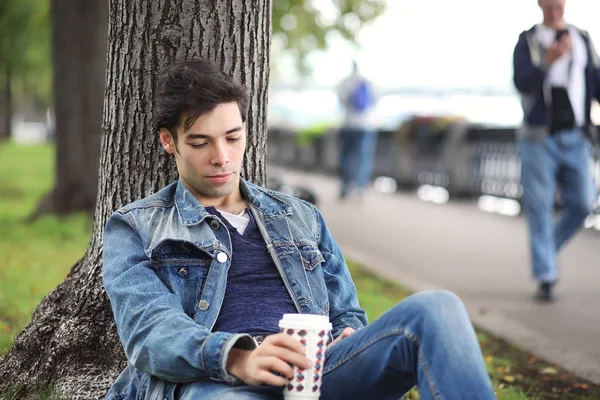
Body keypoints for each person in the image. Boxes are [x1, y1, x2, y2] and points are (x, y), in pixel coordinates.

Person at [102, 58, 497, 400]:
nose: (222, 157)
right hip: (217, 382)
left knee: (437, 308)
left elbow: (347, 313)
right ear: (169, 141)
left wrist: (347, 335)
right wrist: (239, 357)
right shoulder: (136, 226)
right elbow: (149, 330)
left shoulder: (300, 215)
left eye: (233, 138)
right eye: (201, 143)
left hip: (317, 375)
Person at [513, 0, 599, 302]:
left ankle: (545, 252)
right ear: (540, 5)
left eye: (558, 5)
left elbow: (596, 84)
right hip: (538, 137)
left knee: (584, 201)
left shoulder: (582, 38)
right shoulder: (528, 39)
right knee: (539, 207)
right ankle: (546, 276)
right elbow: (521, 82)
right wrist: (548, 60)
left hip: (576, 135)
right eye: (548, 5)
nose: (554, 11)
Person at [336, 61, 378, 200]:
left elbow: (342, 101)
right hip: (365, 125)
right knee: (362, 158)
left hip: (348, 124)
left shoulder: (345, 83)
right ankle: (359, 187)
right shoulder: (369, 83)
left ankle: (346, 187)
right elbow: (374, 101)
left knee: (346, 157)